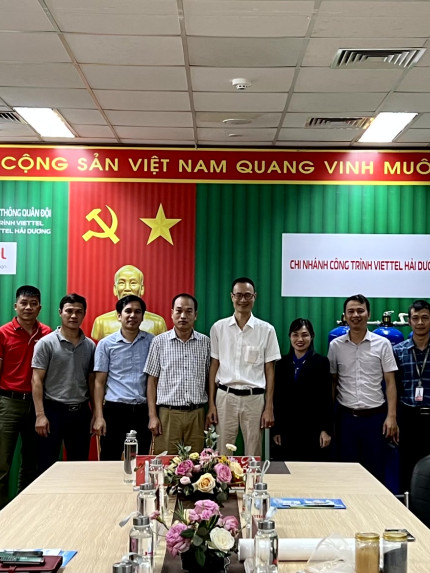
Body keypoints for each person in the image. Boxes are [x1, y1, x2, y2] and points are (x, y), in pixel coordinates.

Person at [206, 277, 281, 457]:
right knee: (222, 453)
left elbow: (270, 370)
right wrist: (211, 404)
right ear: (231, 297)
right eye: (238, 295)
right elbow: (214, 365)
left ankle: (252, 477)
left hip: (254, 399)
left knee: (253, 453)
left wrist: (269, 407)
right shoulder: (218, 328)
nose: (243, 299)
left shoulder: (267, 330)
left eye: (247, 295)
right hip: (225, 397)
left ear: (255, 297)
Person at [328, 293, 398, 482]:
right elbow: (333, 382)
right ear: (345, 315)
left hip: (375, 419)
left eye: (360, 310)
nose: (355, 315)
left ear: (368, 313)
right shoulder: (335, 346)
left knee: (375, 473)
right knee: (346, 473)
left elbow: (390, 382)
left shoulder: (382, 344)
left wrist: (391, 417)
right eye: (351, 311)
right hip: (346, 419)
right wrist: (329, 420)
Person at [31, 293, 95, 474]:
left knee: (79, 466)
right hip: (52, 412)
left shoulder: (90, 345)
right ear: (60, 312)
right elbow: (36, 380)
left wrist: (96, 414)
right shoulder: (46, 343)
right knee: (46, 466)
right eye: (69, 311)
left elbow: (92, 382)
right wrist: (40, 415)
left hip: (81, 413)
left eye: (78, 312)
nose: (73, 316)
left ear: (84, 314)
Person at [0, 286, 51, 508]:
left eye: (33, 304)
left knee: (31, 462)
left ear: (40, 307)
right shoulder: (3, 333)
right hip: (8, 404)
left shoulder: (47, 333)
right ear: (16, 306)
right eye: (24, 303)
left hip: (38, 405)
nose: (28, 307)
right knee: (2, 463)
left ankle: (23, 509)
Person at [145, 293, 210, 455]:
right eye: (179, 311)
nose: (183, 316)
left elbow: (210, 379)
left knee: (197, 463)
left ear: (195, 315)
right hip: (168, 415)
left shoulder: (206, 342)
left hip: (197, 414)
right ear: (171, 313)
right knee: (166, 462)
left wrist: (210, 410)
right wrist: (153, 416)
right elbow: (152, 381)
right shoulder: (159, 342)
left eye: (189, 311)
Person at [92, 295, 154, 459]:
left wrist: (153, 415)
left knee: (140, 463)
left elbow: (154, 380)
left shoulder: (152, 342)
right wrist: (99, 417)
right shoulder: (106, 344)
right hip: (114, 411)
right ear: (119, 315)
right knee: (109, 460)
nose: (132, 315)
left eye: (137, 312)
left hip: (142, 411)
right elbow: (99, 383)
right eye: (128, 311)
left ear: (143, 316)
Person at [272, 318, 332, 461]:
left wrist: (326, 430)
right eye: (295, 334)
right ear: (290, 337)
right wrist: (276, 429)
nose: (300, 339)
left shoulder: (321, 362)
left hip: (313, 430)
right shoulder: (281, 363)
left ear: (312, 337)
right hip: (287, 431)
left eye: (305, 335)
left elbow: (326, 399)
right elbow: (277, 398)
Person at [393, 299, 430, 490]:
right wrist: (394, 420)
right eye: (415, 318)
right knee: (407, 468)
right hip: (408, 417)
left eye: (425, 318)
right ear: (409, 322)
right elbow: (394, 388)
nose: (420, 322)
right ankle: (407, 506)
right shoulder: (398, 351)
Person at [91, 265, 166, 340]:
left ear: (141, 289)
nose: (127, 288)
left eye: (133, 283)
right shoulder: (101, 322)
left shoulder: (157, 323)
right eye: (121, 283)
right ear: (115, 289)